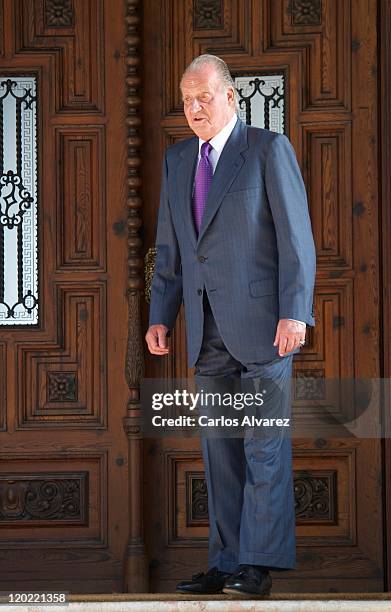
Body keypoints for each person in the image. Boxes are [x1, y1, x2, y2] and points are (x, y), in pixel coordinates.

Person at [145, 54, 316, 596]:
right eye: (186, 99)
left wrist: (296, 311)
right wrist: (160, 315)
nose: (194, 108)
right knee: (219, 448)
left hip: (266, 327)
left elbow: (297, 240)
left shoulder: (267, 150)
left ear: (230, 97)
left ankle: (257, 568)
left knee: (263, 445)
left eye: (204, 97)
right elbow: (170, 248)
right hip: (206, 328)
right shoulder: (176, 160)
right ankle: (225, 561)